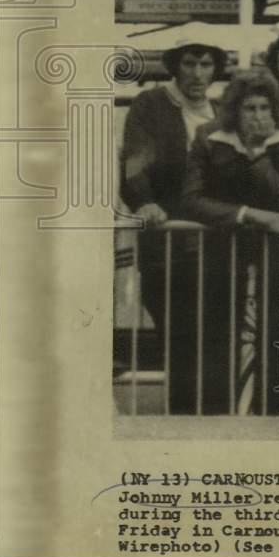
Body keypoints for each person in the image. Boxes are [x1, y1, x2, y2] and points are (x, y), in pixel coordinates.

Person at [180, 69, 279, 414]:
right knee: (218, 335)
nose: (259, 116)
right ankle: (219, 415)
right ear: (236, 109)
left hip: (276, 257)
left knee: (275, 336)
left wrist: (260, 155)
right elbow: (191, 199)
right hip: (220, 252)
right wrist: (246, 214)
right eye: (250, 108)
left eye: (265, 108)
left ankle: (273, 415)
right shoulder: (208, 138)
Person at [119, 33, 227, 412]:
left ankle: (220, 426)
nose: (198, 73)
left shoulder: (221, 110)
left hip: (216, 245)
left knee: (217, 337)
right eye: (190, 63)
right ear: (175, 66)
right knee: (178, 335)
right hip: (169, 242)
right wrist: (145, 200)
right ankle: (184, 422)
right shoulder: (152, 103)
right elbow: (133, 160)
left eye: (206, 64)